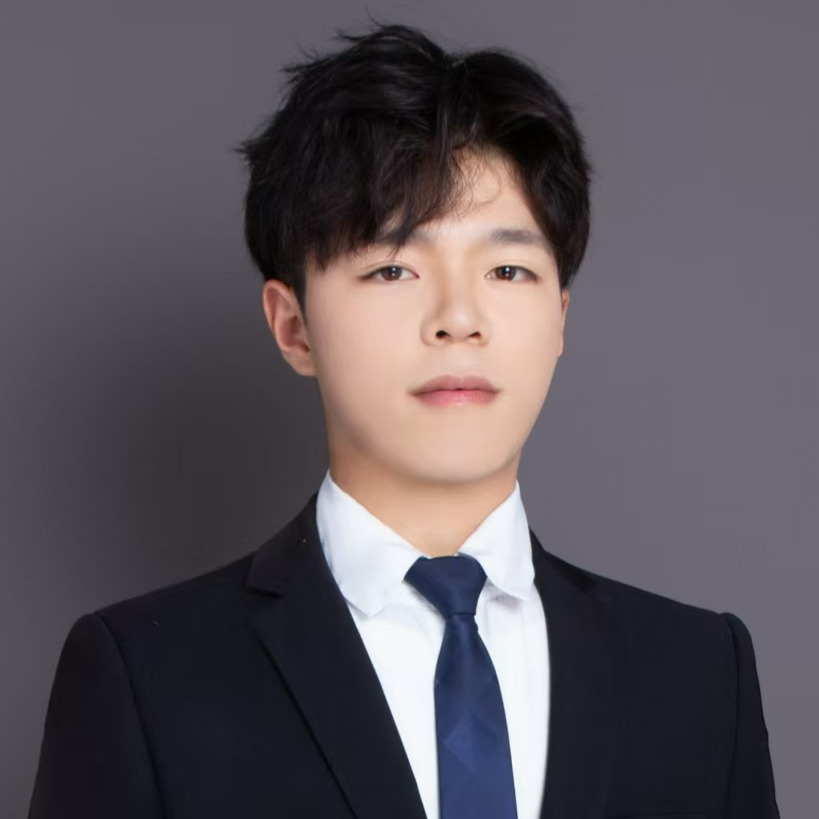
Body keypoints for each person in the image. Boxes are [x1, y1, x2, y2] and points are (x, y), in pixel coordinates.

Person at [28, 20, 780, 819]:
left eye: (507, 269)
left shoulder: (700, 674)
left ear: (558, 317)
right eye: (392, 268)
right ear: (294, 326)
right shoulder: (146, 677)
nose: (458, 318)